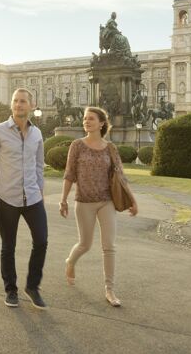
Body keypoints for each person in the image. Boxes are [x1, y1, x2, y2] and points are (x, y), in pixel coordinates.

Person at [59, 106, 138, 307]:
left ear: (101, 123)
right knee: (85, 244)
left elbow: (120, 175)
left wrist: (133, 200)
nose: (86, 121)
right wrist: (63, 199)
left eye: (91, 119)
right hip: (83, 201)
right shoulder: (77, 145)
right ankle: (70, 262)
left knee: (109, 246)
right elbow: (69, 174)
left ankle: (109, 290)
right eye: (85, 119)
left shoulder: (110, 147)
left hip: (106, 202)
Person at [0, 88, 47, 309]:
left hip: (33, 196)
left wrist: (41, 191)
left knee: (42, 240)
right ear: (12, 105)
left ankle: (33, 286)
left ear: (31, 105)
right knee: (8, 246)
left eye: (23, 101)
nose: (19, 105)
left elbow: (39, 166)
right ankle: (11, 290)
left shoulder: (37, 134)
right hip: (7, 197)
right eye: (15, 101)